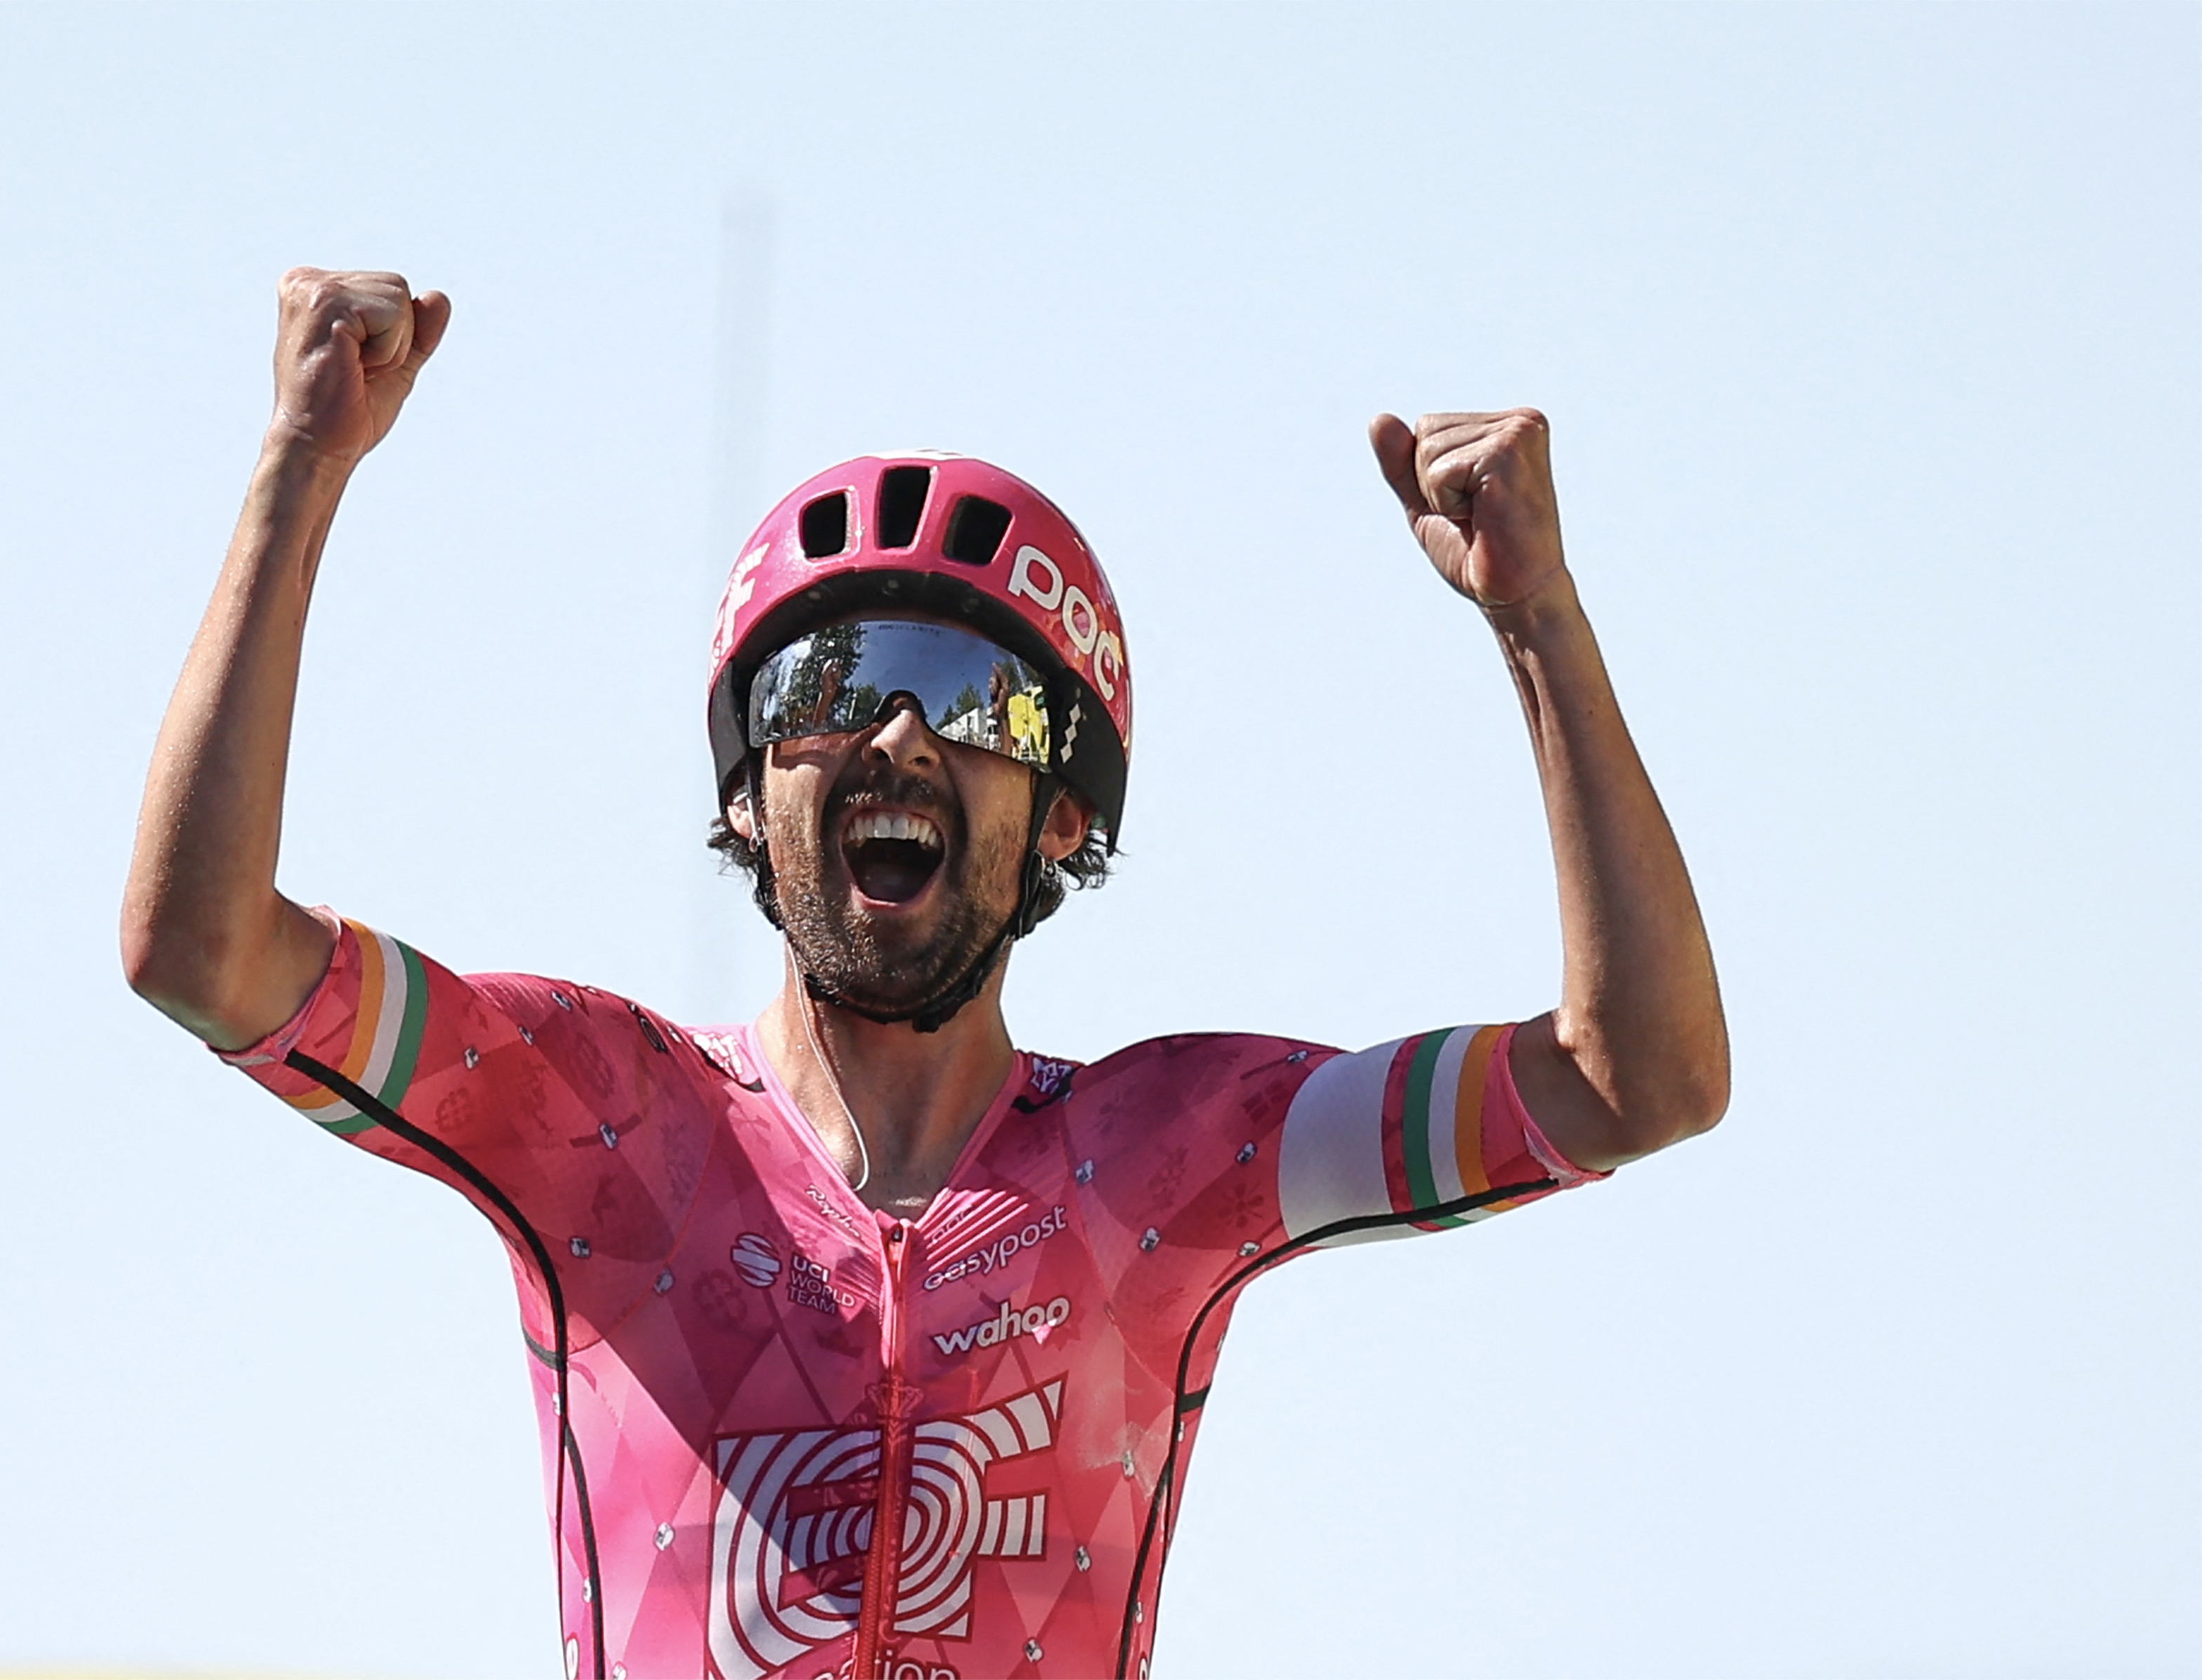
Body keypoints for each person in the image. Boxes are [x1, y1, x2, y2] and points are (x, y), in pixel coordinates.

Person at [122, 269, 1729, 1680]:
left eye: (979, 699)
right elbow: (203, 952)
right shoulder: (595, 1115)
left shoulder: (1176, 1156)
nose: (897, 732)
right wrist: (297, 470)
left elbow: (1638, 1079)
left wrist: (1540, 622)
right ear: (750, 794)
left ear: (1065, 820)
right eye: (834, 682)